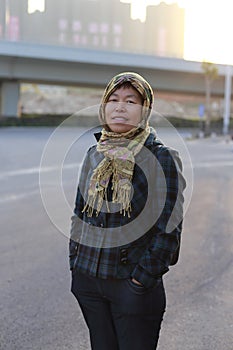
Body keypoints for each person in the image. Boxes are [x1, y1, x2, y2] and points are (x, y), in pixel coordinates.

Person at [69, 72, 186, 350]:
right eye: (113, 99)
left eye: (131, 101)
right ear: (104, 105)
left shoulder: (161, 157)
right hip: (89, 281)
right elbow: (79, 213)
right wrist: (75, 262)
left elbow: (169, 228)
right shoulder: (94, 153)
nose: (120, 107)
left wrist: (140, 280)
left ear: (145, 110)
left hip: (132, 286)